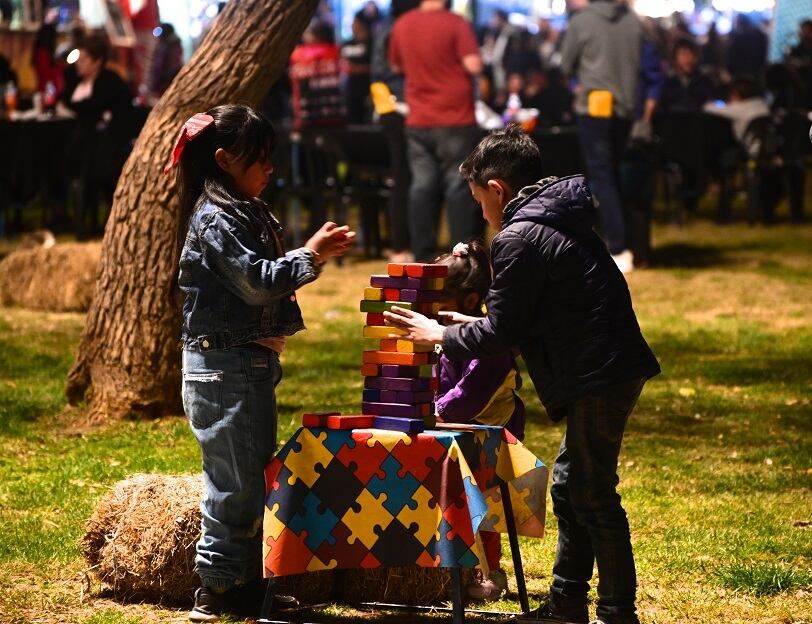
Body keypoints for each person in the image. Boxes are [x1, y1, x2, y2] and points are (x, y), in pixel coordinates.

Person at [385, 125, 660, 624]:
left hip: (598, 371)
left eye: (478, 201)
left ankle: (617, 612)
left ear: (498, 190)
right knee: (569, 485)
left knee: (593, 493)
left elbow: (501, 334)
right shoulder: (555, 218)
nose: (481, 215)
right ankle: (568, 602)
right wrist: (471, 323)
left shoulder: (517, 237)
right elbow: (529, 317)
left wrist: (439, 335)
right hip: (606, 365)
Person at [166, 104, 355, 621]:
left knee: (250, 477)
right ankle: (221, 588)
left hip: (240, 367)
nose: (271, 168)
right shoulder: (216, 217)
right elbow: (256, 282)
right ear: (225, 159)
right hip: (223, 369)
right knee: (236, 484)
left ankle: (245, 581)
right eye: (261, 158)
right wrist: (309, 255)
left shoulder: (238, 209)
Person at [433, 238, 526, 602]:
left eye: (437, 300)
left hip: (490, 434)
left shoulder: (488, 338)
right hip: (450, 429)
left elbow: (471, 391)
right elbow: (441, 376)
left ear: (469, 301)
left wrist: (439, 410)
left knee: (485, 505)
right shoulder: (445, 332)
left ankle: (492, 571)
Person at [388, 0, 485, 263]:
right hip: (454, 116)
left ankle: (422, 254)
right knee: (457, 186)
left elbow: (396, 66)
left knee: (422, 186)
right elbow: (474, 65)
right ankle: (462, 257)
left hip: (419, 118)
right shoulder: (456, 23)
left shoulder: (403, 24)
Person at [560, 0, 643, 274]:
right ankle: (623, 241)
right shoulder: (632, 21)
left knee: (602, 175)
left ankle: (618, 247)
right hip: (625, 108)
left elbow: (565, 65)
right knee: (614, 175)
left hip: (595, 106)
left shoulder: (581, 21)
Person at [63, 35, 134, 238]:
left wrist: (82, 110)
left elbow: (102, 109)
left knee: (93, 160)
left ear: (97, 61)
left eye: (84, 59)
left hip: (103, 148)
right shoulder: (74, 81)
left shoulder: (110, 82)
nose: (79, 63)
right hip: (77, 146)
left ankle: (93, 221)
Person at [340, 13, 372, 123]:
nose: (353, 25)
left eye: (355, 22)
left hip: (367, 86)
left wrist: (358, 69)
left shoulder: (372, 43)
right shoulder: (346, 43)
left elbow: (377, 66)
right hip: (349, 88)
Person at [148, 22, 183, 98]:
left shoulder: (168, 45)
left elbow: (161, 66)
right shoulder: (169, 44)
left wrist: (157, 82)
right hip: (168, 81)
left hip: (166, 82)